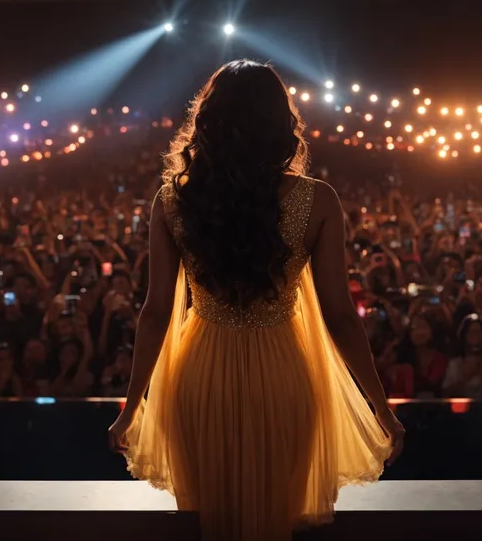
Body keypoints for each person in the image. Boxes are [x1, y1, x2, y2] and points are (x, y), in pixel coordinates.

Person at [107, 60, 403, 541]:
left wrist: (130, 408)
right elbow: (341, 317)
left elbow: (156, 312)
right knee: (275, 520)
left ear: (208, 120)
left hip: (200, 377)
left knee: (207, 522)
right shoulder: (318, 200)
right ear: (280, 122)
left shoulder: (174, 201)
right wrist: (382, 409)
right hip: (285, 376)